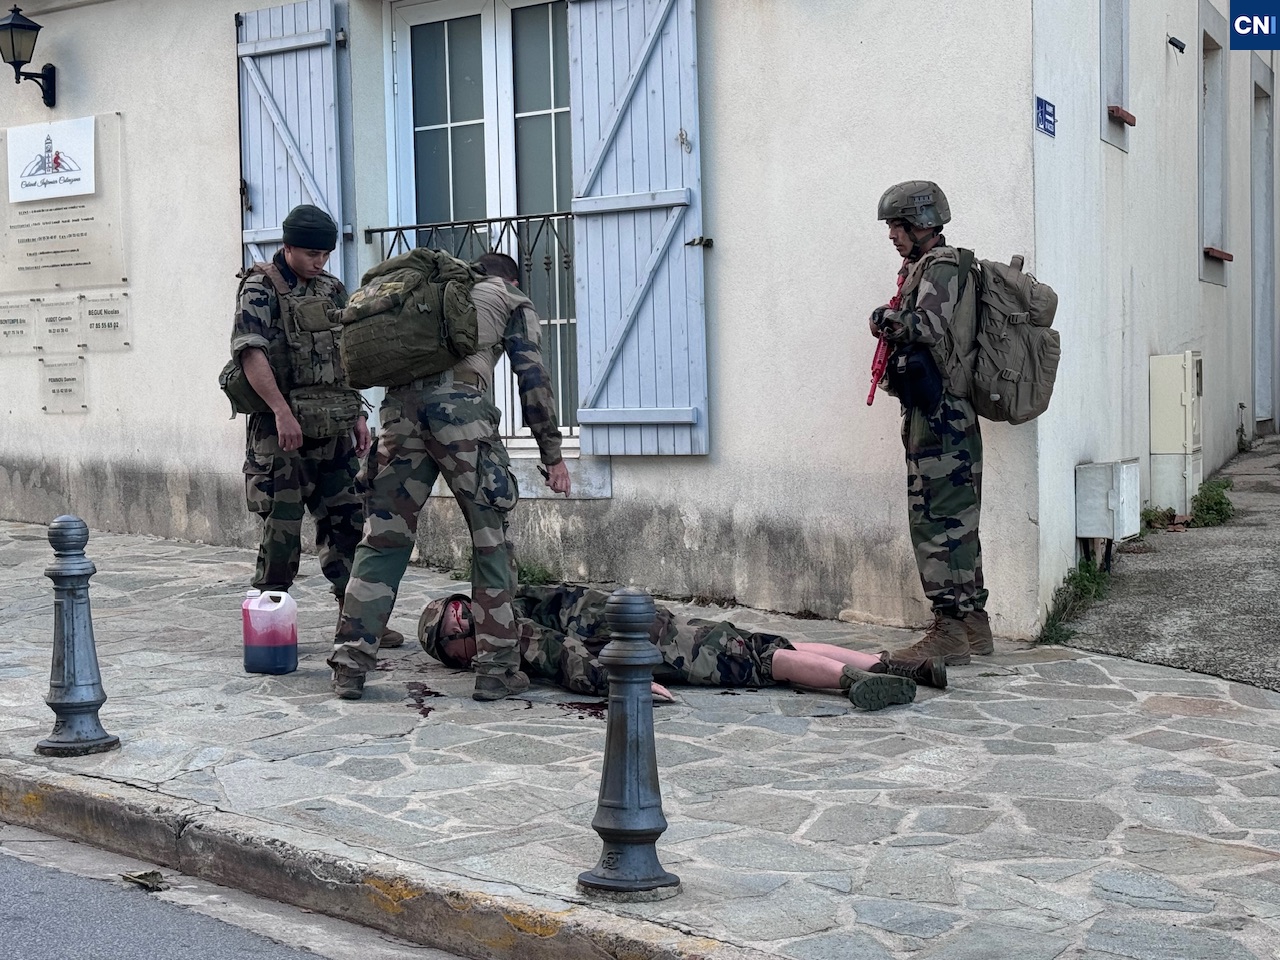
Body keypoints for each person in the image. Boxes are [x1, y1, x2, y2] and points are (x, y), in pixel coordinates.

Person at [328, 252, 570, 701]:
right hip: (462, 419)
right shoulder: (510, 298)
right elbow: (532, 376)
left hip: (399, 419)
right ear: (511, 277)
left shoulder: (427, 296)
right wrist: (551, 454)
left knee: (381, 539)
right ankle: (496, 668)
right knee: (489, 539)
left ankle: (349, 664)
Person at [228, 204, 403, 649]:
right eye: (310, 253)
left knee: (348, 523)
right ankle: (269, 628)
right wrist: (281, 412)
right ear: (286, 247)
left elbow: (348, 354)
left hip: (333, 431)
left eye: (325, 254)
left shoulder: (331, 289)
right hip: (281, 434)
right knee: (281, 531)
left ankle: (360, 623)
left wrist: (358, 414)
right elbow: (251, 353)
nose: (319, 261)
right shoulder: (259, 287)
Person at [417, 584, 947, 711]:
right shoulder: (509, 595)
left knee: (763, 662)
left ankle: (856, 684)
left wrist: (621, 684)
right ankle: (902, 666)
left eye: (454, 644)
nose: (464, 651)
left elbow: (564, 657)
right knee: (768, 641)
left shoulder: (505, 631)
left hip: (643, 642)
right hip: (646, 618)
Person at [868, 181, 993, 665]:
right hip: (940, 411)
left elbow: (927, 326)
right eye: (891, 227)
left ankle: (949, 629)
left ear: (922, 223)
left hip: (942, 415)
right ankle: (974, 627)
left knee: (936, 520)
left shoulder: (940, 267)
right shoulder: (926, 266)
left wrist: (885, 319)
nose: (893, 235)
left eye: (898, 225)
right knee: (956, 518)